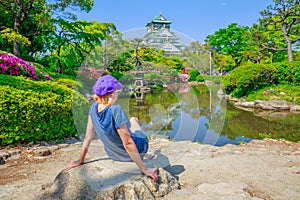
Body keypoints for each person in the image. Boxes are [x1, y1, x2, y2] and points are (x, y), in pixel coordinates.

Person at [65, 75, 158, 181]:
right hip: (133, 152)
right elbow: (127, 143)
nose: (118, 93)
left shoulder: (93, 107)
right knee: (133, 120)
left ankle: (144, 153)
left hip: (113, 155)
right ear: (111, 94)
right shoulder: (115, 110)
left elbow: (88, 137)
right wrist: (144, 169)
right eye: (117, 90)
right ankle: (143, 153)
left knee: (128, 126)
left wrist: (80, 161)